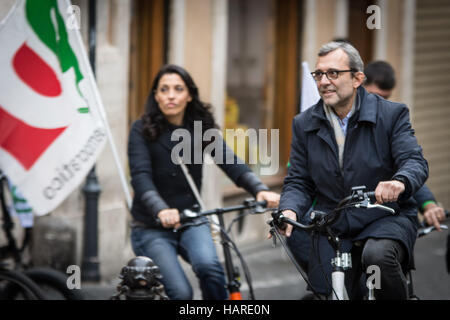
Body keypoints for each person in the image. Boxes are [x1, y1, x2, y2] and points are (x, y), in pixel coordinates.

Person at [277, 41, 429, 299]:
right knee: (325, 291)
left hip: (384, 217)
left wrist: (399, 182)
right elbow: (299, 181)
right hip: (333, 222)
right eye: (319, 74)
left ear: (358, 78)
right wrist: (289, 208)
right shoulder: (304, 123)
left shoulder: (392, 114)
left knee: (376, 257)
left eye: (333, 73)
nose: (324, 81)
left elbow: (414, 161)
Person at [127, 64, 279, 300]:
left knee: (211, 269)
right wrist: (161, 209)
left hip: (191, 219)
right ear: (155, 95)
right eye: (164, 89)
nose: (170, 95)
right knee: (181, 293)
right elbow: (140, 177)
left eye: (178, 89)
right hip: (152, 227)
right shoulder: (141, 130)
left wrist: (259, 189)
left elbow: (230, 162)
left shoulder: (199, 128)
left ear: (189, 95)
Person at [364, 60, 446, 230]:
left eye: (384, 97)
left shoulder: (390, 120)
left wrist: (429, 205)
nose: (378, 101)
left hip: (384, 216)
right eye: (373, 95)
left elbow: (408, 167)